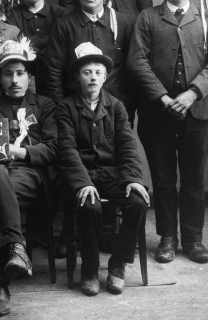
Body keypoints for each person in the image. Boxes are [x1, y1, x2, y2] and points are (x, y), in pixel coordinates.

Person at [127, 0, 208, 264]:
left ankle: (194, 239)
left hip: (198, 112)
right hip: (159, 113)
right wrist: (164, 97)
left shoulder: (206, 17)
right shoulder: (148, 18)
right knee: (164, 179)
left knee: (194, 179)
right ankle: (168, 238)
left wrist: (192, 93)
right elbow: (137, 61)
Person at [0, 40, 58, 317]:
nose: (14, 79)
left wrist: (20, 152)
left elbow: (56, 148)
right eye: (8, 74)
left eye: (20, 73)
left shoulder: (44, 105)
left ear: (29, 76)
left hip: (28, 172)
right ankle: (16, 248)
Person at [57, 43, 150, 296]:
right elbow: (67, 150)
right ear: (78, 76)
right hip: (82, 176)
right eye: (87, 72)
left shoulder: (116, 106)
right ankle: (89, 269)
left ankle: (118, 264)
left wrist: (133, 178)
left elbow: (128, 145)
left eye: (98, 72)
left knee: (138, 202)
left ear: (105, 76)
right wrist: (83, 183)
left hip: (111, 174)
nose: (93, 77)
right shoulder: (66, 107)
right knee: (90, 207)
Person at [44, 0, 136, 123]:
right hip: (76, 111)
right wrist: (61, 110)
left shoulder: (124, 22)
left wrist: (127, 106)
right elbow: (53, 71)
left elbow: (133, 68)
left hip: (115, 109)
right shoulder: (64, 25)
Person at [5, 0, 65, 94]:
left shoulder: (60, 14)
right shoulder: (12, 16)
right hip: (24, 85)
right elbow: (15, 49)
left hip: (58, 82)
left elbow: (61, 50)